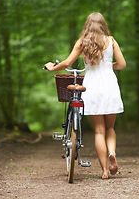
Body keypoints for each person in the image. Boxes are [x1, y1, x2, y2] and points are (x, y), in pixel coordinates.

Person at [45, 12, 126, 179]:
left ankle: (104, 171)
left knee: (99, 131)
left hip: (92, 88)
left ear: (87, 25)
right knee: (110, 128)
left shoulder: (82, 42)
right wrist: (109, 65)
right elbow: (122, 65)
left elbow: (67, 63)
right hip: (110, 86)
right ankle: (112, 153)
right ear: (103, 24)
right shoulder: (111, 41)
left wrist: (52, 68)